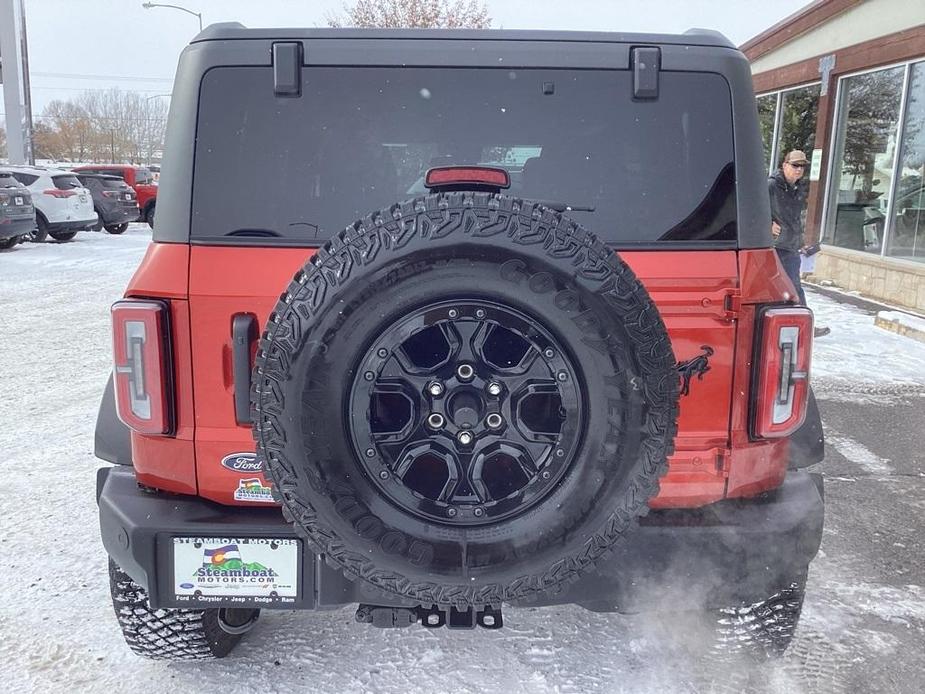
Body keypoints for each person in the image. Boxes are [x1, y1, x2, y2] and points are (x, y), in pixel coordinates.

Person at [768, 150, 830, 337]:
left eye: (802, 166)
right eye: (795, 165)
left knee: (794, 286)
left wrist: (801, 241)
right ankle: (789, 326)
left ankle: (804, 327)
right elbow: (752, 207)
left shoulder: (798, 188)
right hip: (773, 245)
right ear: (784, 165)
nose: (799, 170)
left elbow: (795, 218)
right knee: (777, 287)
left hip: (791, 245)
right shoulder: (771, 185)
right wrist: (767, 224)